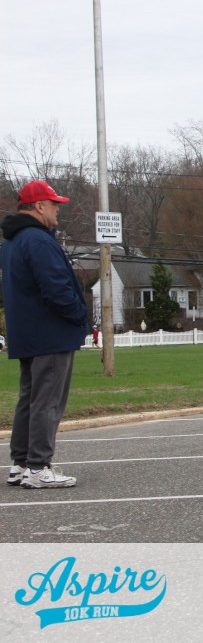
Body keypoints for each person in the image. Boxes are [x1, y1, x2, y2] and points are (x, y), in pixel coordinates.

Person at [2, 181, 88, 488]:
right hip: (50, 333)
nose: (57, 210)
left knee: (29, 399)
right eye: (54, 204)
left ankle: (21, 463)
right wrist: (79, 316)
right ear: (39, 206)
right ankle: (38, 467)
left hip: (27, 333)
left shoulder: (12, 241)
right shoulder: (38, 240)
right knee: (47, 401)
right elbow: (56, 289)